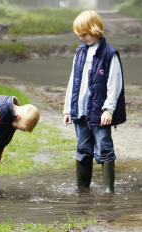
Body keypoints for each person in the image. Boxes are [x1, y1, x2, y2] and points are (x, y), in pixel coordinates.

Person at [63, 10, 126, 193]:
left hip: (100, 112)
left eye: (84, 34)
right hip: (81, 111)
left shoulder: (109, 54)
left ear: (95, 29)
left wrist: (108, 109)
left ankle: (108, 190)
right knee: (82, 148)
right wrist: (68, 109)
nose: (82, 38)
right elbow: (72, 81)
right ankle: (82, 189)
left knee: (105, 148)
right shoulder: (80, 52)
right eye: (79, 35)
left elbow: (115, 85)